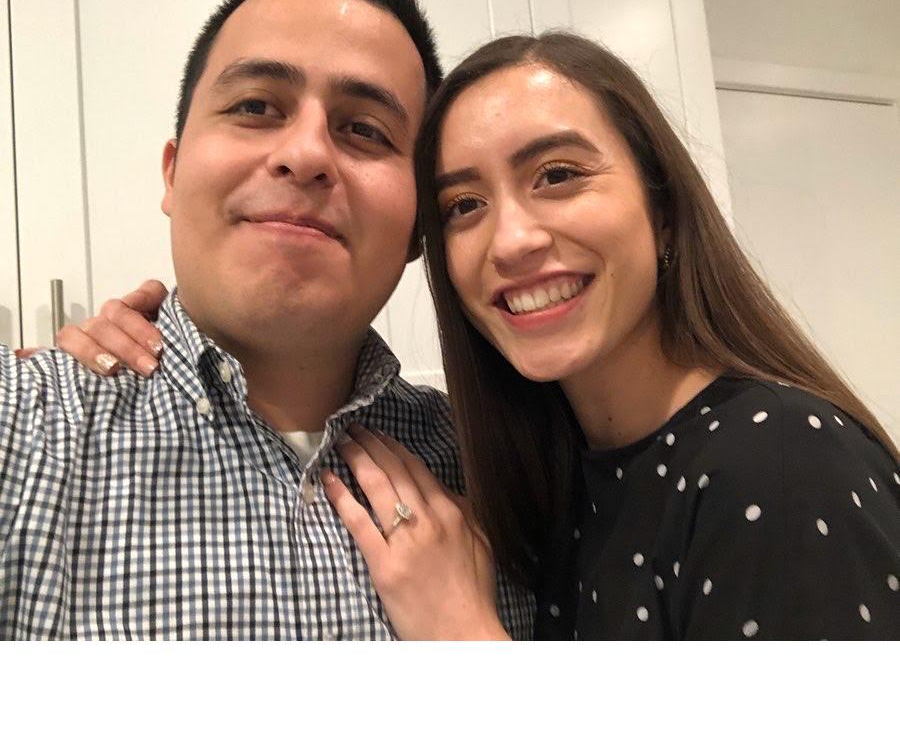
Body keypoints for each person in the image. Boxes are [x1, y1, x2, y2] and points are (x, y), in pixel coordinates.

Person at [71, 31, 900, 640]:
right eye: (464, 205)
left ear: (664, 210)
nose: (511, 241)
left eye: (558, 175)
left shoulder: (781, 460)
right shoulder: (530, 469)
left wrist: (465, 640)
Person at [0, 0, 534, 640]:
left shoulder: (506, 470)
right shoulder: (21, 428)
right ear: (172, 172)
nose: (306, 154)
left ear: (417, 229)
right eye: (255, 107)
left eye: (365, 129)